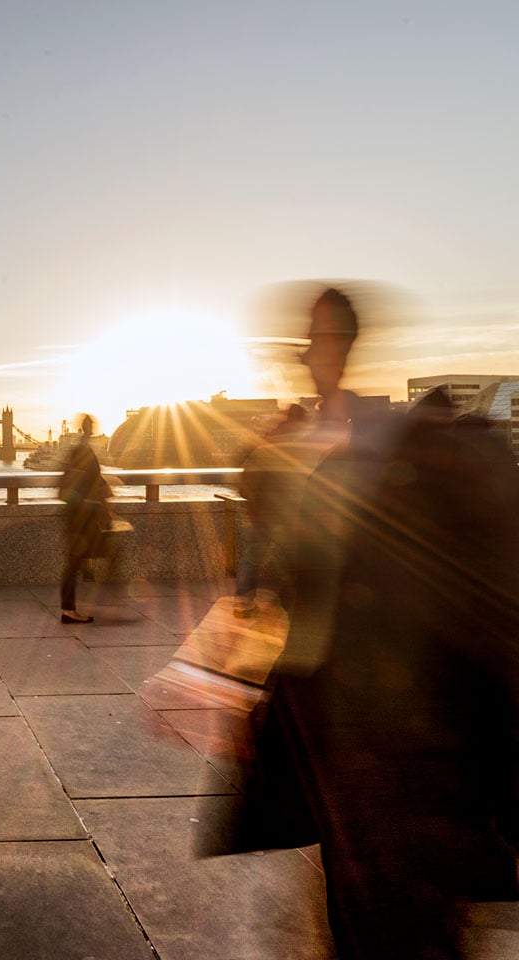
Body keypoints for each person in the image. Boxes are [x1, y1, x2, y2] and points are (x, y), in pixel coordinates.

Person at [219, 286, 519, 960]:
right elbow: (300, 576)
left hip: (392, 736)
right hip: (363, 731)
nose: (304, 353)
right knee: (368, 912)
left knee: (384, 916)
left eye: (317, 338)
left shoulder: (377, 450)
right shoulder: (334, 442)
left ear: (340, 344)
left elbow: (325, 574)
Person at [232, 404, 311, 617]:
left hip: (263, 509)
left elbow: (248, 477)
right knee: (289, 556)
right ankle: (290, 598)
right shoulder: (294, 442)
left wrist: (252, 505)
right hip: (282, 510)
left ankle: (244, 603)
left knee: (254, 556)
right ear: (299, 420)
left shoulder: (267, 439)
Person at [57, 415, 111, 624]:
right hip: (81, 517)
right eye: (91, 426)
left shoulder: (78, 449)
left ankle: (69, 608)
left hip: (75, 515)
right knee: (74, 562)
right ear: (87, 428)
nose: (93, 429)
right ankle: (69, 610)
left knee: (75, 562)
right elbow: (92, 481)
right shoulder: (83, 451)